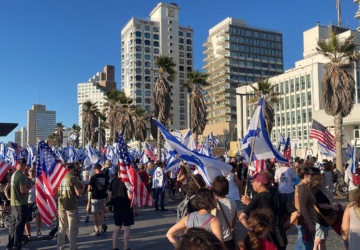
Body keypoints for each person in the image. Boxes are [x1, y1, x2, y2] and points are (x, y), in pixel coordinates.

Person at [239, 172, 298, 250]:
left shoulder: (257, 197)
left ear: (260, 183)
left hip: (265, 238)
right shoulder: (279, 196)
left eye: (253, 182)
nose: (252, 184)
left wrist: (253, 230)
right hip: (280, 237)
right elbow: (295, 213)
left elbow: (242, 217)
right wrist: (283, 226)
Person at [6, 158, 33, 250]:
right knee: (19, 225)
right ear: (25, 166)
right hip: (20, 204)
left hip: (14, 203)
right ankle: (17, 245)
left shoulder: (14, 174)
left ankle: (10, 245)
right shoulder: (21, 175)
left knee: (13, 225)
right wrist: (30, 187)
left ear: (18, 164)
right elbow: (23, 190)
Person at [57, 162, 85, 250]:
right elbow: (78, 193)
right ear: (72, 169)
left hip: (61, 206)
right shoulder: (73, 179)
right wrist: (83, 187)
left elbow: (55, 193)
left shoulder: (59, 178)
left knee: (62, 227)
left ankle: (60, 246)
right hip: (71, 206)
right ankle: (73, 247)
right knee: (72, 228)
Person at [310, 172, 339, 250]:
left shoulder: (316, 190)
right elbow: (321, 205)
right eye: (321, 180)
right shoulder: (315, 191)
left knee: (322, 241)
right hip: (320, 219)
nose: (323, 182)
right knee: (317, 241)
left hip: (321, 219)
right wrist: (331, 206)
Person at [109, 170, 134, 250]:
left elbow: (110, 195)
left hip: (117, 207)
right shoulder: (126, 182)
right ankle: (126, 248)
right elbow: (130, 196)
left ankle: (114, 247)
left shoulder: (113, 181)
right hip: (126, 207)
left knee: (117, 228)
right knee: (126, 228)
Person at [294, 166, 317, 250]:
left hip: (306, 220)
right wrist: (309, 224)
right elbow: (302, 207)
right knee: (306, 246)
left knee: (300, 245)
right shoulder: (302, 187)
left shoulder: (305, 187)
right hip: (306, 222)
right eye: (312, 174)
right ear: (306, 176)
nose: (313, 177)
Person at [212, 175, 238, 250]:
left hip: (216, 239)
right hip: (229, 239)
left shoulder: (213, 204)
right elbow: (234, 220)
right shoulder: (232, 202)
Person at [88, 163, 109, 236]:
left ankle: (96, 229)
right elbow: (107, 186)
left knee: (95, 214)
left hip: (95, 197)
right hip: (102, 197)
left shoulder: (93, 177)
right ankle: (103, 224)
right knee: (101, 212)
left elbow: (89, 188)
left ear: (95, 169)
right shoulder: (104, 176)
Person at [24, 166, 42, 239]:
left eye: (33, 171)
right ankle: (28, 234)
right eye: (30, 171)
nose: (32, 172)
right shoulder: (25, 180)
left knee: (38, 215)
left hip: (36, 201)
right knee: (26, 219)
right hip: (27, 201)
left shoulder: (38, 179)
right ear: (28, 172)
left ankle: (38, 231)